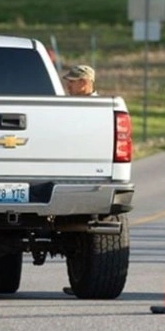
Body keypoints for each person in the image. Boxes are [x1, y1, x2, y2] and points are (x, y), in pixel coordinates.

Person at [61, 64, 97, 296]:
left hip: (87, 177)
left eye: (72, 82)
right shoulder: (67, 105)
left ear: (85, 83)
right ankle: (79, 281)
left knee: (85, 239)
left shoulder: (98, 109)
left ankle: (85, 280)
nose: (68, 85)